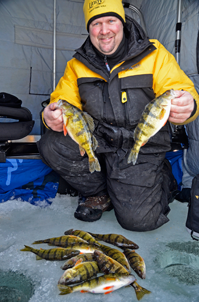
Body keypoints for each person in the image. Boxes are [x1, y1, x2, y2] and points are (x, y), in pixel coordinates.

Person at [37, 0, 199, 231]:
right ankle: (101, 193)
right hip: (100, 142)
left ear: (122, 23)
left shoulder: (154, 53)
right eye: (96, 23)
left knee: (139, 221)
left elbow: (182, 89)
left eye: (111, 20)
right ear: (88, 28)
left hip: (141, 145)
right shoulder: (76, 64)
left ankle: (162, 179)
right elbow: (62, 100)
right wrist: (50, 115)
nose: (104, 31)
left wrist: (188, 105)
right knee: (52, 146)